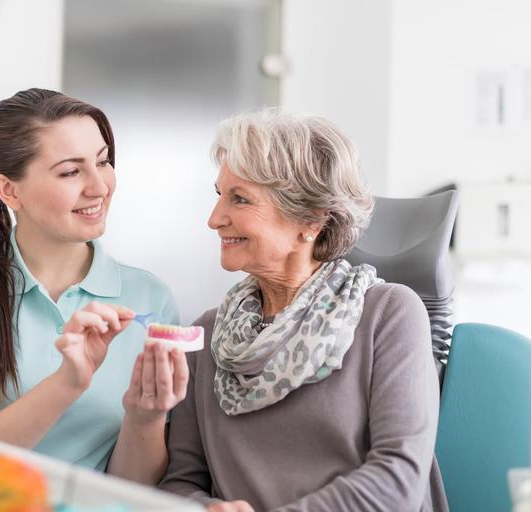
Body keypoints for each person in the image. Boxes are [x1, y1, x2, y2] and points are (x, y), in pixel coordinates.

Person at [159, 109, 448, 511]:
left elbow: (398, 480)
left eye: (239, 198)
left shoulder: (389, 314)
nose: (214, 219)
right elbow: (180, 482)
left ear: (310, 219)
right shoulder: (207, 334)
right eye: (219, 195)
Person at [0, 88, 188, 484]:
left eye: (102, 162)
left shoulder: (148, 297)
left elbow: (134, 490)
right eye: (71, 172)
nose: (99, 187)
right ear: (8, 190)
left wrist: (146, 417)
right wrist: (66, 383)